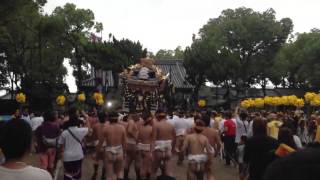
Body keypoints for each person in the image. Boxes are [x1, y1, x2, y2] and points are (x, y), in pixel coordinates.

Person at [58, 108, 90, 180]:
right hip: (78, 155)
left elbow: (61, 146)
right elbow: (89, 129)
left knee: (67, 174)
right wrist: (87, 117)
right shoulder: (81, 131)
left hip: (67, 156)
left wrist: (61, 154)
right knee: (77, 175)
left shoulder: (64, 133)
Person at [97, 111, 127, 180]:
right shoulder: (122, 128)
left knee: (109, 176)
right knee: (119, 173)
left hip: (109, 152)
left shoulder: (105, 128)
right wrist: (124, 153)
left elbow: (100, 143)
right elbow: (124, 143)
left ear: (108, 119)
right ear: (117, 119)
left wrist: (97, 153)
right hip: (119, 152)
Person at [151, 109, 176, 180]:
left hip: (158, 149)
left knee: (153, 171)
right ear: (165, 117)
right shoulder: (171, 126)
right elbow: (174, 139)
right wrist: (173, 149)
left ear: (158, 117)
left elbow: (153, 139)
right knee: (168, 172)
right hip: (168, 149)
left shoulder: (156, 125)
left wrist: (151, 152)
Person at [35, 110, 60, 175]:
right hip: (52, 149)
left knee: (44, 166)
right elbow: (58, 138)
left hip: (42, 149)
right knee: (50, 165)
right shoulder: (56, 126)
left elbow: (37, 139)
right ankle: (51, 176)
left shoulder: (39, 128)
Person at [201, 113, 221, 180]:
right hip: (210, 151)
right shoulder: (214, 132)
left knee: (199, 171)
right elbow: (219, 143)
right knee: (209, 170)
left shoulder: (198, 131)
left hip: (199, 151)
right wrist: (217, 151)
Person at [91, 111, 108, 180]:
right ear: (105, 118)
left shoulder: (95, 125)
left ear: (98, 118)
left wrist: (93, 142)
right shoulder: (108, 125)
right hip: (105, 143)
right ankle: (103, 176)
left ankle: (95, 172)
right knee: (104, 160)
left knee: (96, 159)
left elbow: (93, 136)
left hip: (97, 142)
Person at [137, 111, 154, 180]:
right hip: (148, 147)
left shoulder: (140, 128)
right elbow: (153, 141)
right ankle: (144, 177)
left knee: (143, 165)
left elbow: (138, 138)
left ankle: (143, 176)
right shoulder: (151, 129)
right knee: (146, 166)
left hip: (141, 146)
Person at [124, 112, 141, 180]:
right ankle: (138, 177)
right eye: (138, 116)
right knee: (137, 160)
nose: (139, 118)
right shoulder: (131, 122)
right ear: (135, 116)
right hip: (132, 144)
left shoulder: (131, 122)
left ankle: (125, 177)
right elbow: (129, 131)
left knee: (128, 160)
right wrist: (136, 138)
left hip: (129, 143)